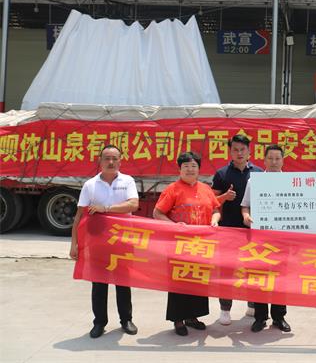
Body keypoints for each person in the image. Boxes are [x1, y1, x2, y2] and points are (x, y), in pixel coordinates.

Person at [70, 144, 139, 339]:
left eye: (114, 158)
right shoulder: (90, 185)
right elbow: (79, 216)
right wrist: (74, 243)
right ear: (100, 161)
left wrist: (105, 208)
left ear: (120, 161)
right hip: (97, 242)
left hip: (123, 240)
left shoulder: (128, 181)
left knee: (123, 282)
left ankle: (126, 320)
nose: (111, 162)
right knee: (99, 283)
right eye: (107, 158)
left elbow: (133, 204)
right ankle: (99, 322)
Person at [153, 151, 221, 336]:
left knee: (197, 280)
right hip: (179, 245)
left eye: (194, 166)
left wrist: (214, 220)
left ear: (199, 169)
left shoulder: (205, 188)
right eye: (186, 166)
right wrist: (174, 225)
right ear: (179, 169)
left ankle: (193, 317)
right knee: (179, 281)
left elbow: (216, 209)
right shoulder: (172, 189)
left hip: (202, 244)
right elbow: (157, 213)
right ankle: (178, 320)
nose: (190, 170)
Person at [211, 134, 263, 325]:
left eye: (243, 149)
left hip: (253, 230)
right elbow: (212, 202)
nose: (239, 153)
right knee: (227, 270)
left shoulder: (259, 173)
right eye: (235, 150)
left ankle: (252, 304)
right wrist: (225, 197)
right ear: (230, 152)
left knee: (253, 268)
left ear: (249, 151)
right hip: (228, 230)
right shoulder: (221, 174)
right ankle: (225, 309)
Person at [241, 144, 291, 333]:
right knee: (259, 276)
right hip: (259, 237)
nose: (274, 162)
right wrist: (246, 216)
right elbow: (245, 205)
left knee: (280, 277)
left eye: (277, 158)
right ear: (264, 160)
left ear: (283, 160)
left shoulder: (291, 181)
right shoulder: (254, 181)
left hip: (282, 237)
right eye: (270, 158)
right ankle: (260, 317)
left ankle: (279, 317)